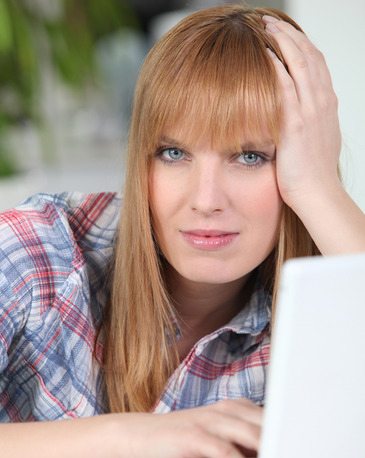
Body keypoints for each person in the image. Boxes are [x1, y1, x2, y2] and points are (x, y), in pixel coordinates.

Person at [0, 4, 364, 457]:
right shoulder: (36, 253)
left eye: (250, 156)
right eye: (173, 153)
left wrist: (321, 191)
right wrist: (128, 437)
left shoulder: (315, 322)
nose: (206, 199)